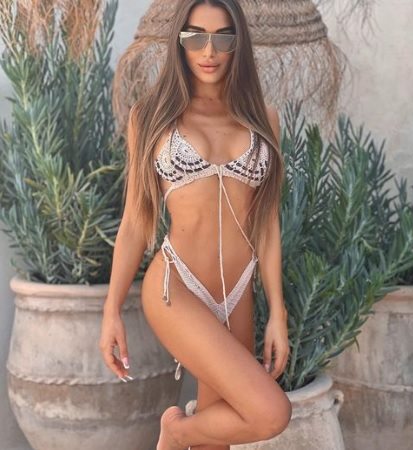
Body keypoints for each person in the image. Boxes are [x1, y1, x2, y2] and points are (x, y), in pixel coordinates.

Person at [98, 1, 291, 448]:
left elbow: (267, 223)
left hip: (238, 290)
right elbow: (135, 221)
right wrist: (111, 310)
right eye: (196, 36)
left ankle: (184, 435)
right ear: (179, 42)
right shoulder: (150, 116)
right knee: (271, 412)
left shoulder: (264, 119)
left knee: (218, 437)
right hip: (177, 286)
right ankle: (176, 430)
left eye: (223, 37)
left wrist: (277, 313)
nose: (209, 51)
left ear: (238, 44)